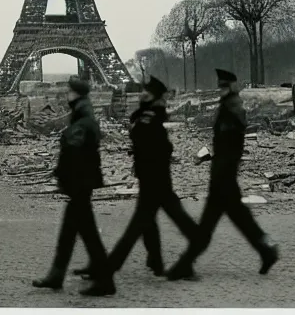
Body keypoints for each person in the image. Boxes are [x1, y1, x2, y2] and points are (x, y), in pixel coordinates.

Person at [166, 69, 279, 281]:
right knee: (242, 221)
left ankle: (185, 265)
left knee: (208, 226)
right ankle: (267, 252)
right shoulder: (230, 106)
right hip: (224, 176)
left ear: (233, 86)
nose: (222, 89)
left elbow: (230, 145)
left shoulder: (232, 108)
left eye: (225, 86)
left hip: (223, 178)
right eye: (221, 86)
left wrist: (219, 171)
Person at [92, 76, 199, 280]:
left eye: (146, 92)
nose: (141, 94)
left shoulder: (149, 117)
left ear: (153, 96)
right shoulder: (148, 115)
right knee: (153, 223)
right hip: (154, 180)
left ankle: (107, 270)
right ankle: (158, 261)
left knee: (137, 227)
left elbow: (155, 147)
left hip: (154, 181)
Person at [32, 76, 116, 297]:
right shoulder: (83, 116)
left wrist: (64, 176)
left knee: (83, 233)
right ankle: (60, 275)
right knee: (77, 231)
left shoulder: (82, 120)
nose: (66, 95)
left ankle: (102, 280)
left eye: (69, 91)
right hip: (81, 183)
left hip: (80, 183)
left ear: (76, 94)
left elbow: (76, 154)